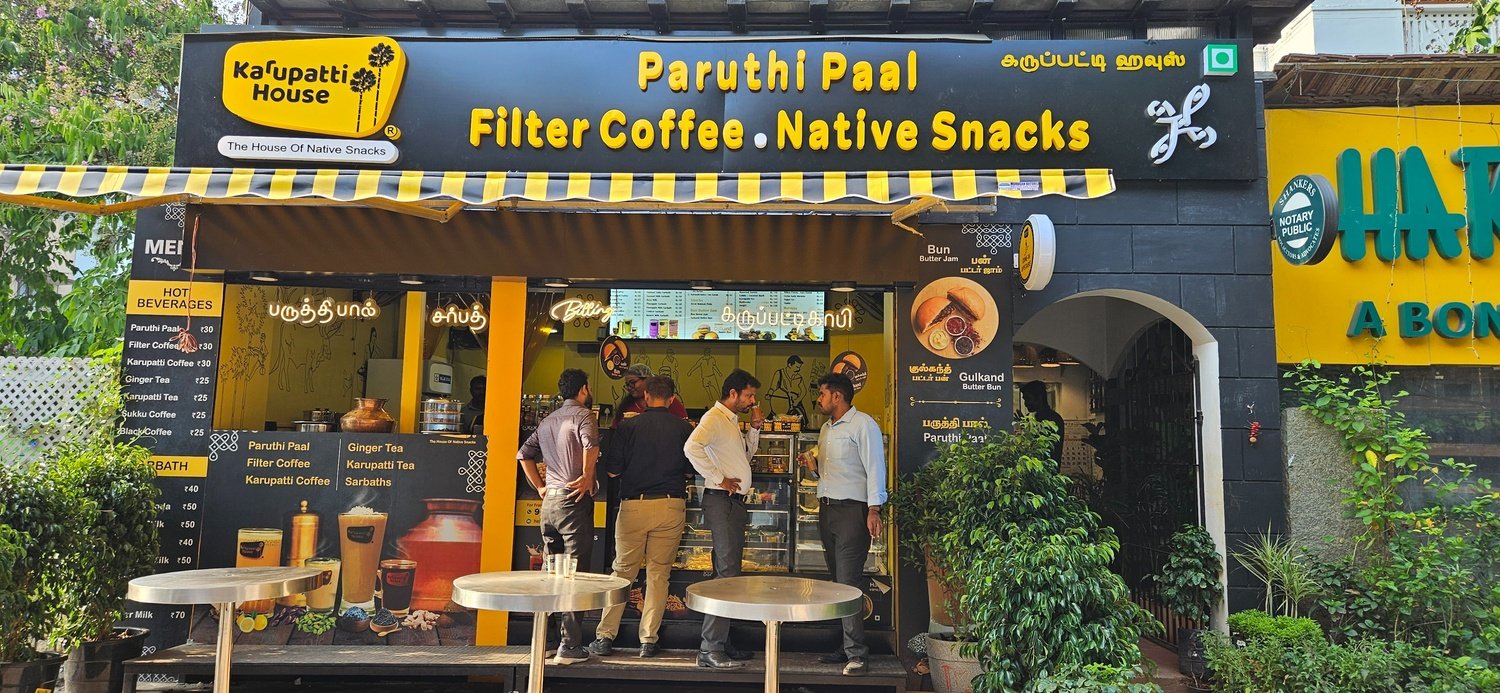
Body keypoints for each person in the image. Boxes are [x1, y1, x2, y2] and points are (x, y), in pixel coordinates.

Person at [589, 376, 694, 658]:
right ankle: (648, 640)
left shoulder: (628, 426)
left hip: (635, 506)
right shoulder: (684, 428)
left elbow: (612, 471)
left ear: (646, 396)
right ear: (672, 399)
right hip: (671, 506)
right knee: (659, 575)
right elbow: (689, 471)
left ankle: (605, 637)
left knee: (623, 572)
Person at [801, 372, 887, 676]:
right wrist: (813, 469)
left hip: (853, 511)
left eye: (822, 394)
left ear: (837, 396)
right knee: (838, 582)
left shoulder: (863, 425)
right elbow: (829, 474)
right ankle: (846, 645)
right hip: (827, 510)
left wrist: (874, 509)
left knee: (849, 582)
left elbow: (876, 467)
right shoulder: (827, 428)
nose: (819, 400)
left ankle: (857, 655)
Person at [683, 368, 764, 670]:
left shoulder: (730, 421)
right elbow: (690, 447)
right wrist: (718, 478)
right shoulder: (714, 419)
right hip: (722, 501)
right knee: (727, 574)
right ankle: (710, 648)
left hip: (732, 503)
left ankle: (722, 641)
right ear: (733, 393)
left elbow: (745, 458)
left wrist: (754, 429)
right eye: (749, 395)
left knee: (728, 572)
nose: (752, 401)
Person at [516, 368, 599, 665]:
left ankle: (546, 641)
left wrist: (540, 487)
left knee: (550, 572)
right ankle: (570, 646)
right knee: (574, 574)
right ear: (584, 389)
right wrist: (586, 476)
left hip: (549, 503)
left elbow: (523, 454)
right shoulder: (584, 416)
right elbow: (591, 445)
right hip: (572, 502)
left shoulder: (547, 420)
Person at [613, 364, 688, 426]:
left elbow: (684, 424)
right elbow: (615, 428)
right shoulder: (627, 406)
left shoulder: (667, 399)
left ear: (647, 380)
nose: (629, 387)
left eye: (633, 382)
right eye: (627, 384)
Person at [1021, 380, 1065, 463]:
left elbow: (1042, 449)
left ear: (1039, 397)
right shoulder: (1038, 417)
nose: (1026, 403)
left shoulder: (1052, 419)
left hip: (1046, 468)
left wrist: (1028, 428)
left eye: (1028, 399)